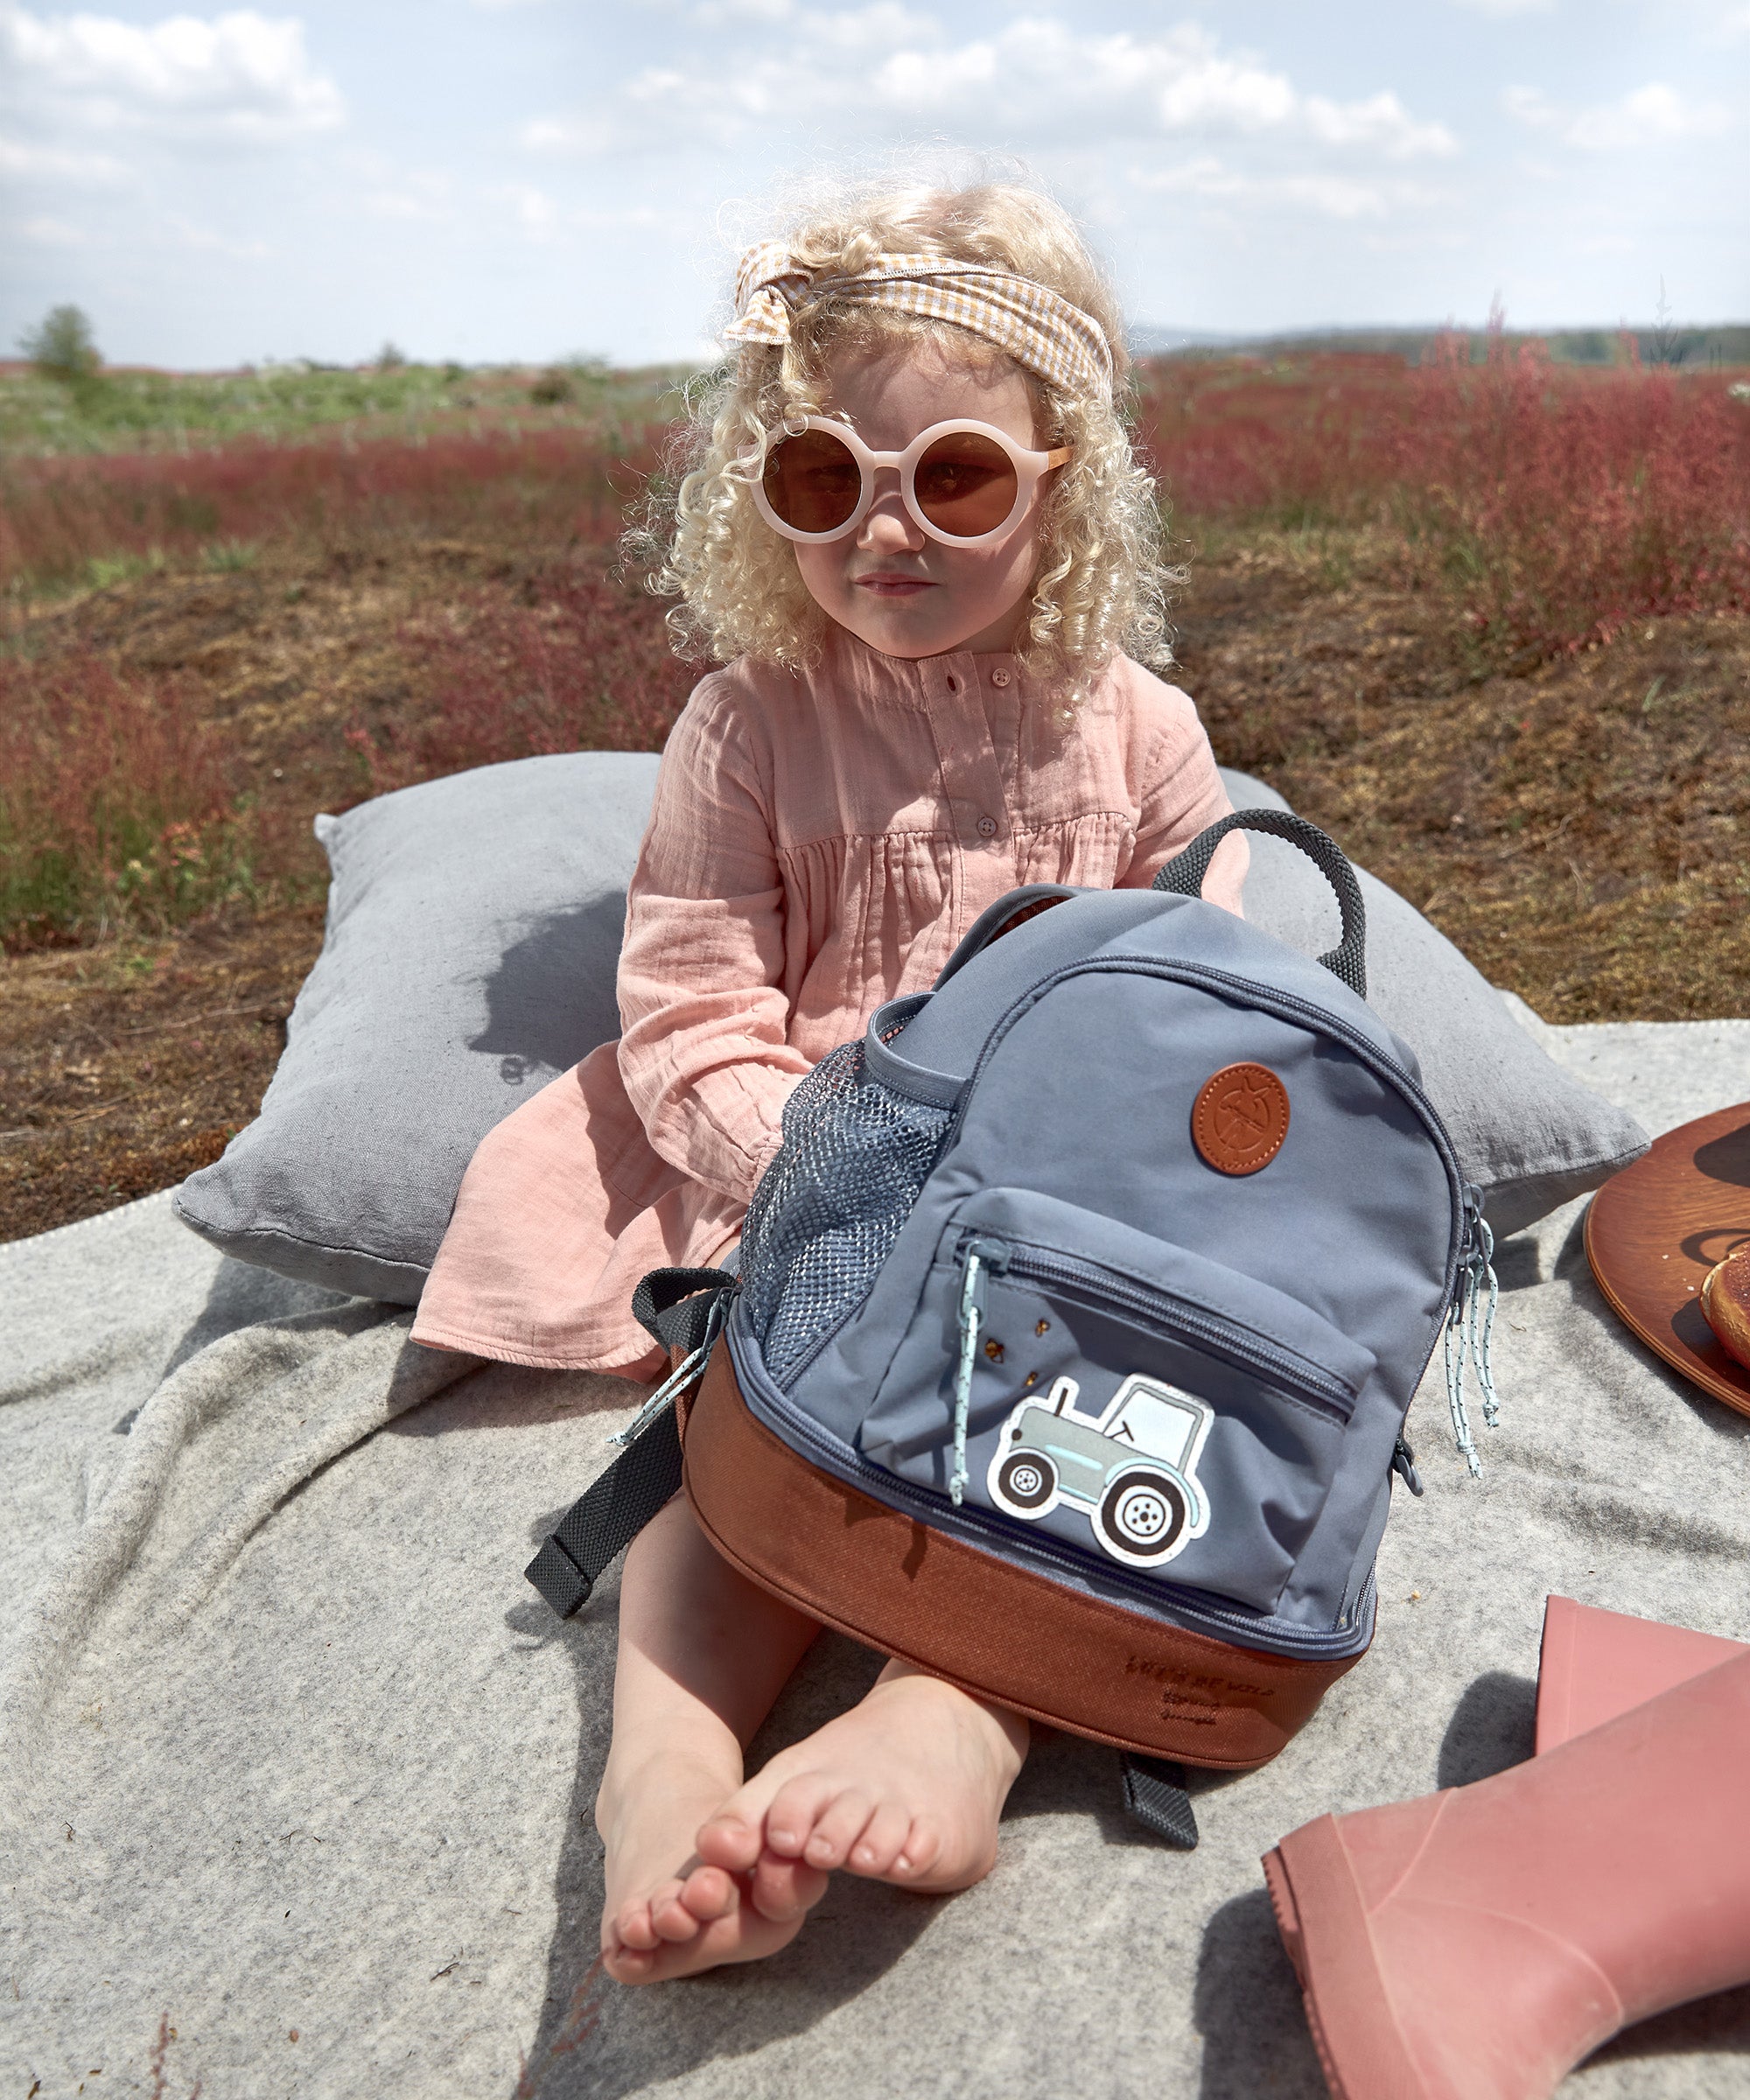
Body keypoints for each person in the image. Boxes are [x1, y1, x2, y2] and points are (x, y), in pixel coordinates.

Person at [411, 177, 1247, 1983]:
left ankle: (959, 1706)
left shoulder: (1136, 725)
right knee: (750, 1435)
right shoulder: (749, 721)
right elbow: (691, 1001)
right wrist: (817, 1162)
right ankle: (665, 1764)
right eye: (819, 480)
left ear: (1060, 485)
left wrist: (1094, 1175)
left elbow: (1207, 992)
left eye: (949, 476)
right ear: (758, 497)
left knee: (1081, 1429)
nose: (883, 528)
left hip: (1067, 1169)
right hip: (805, 1143)